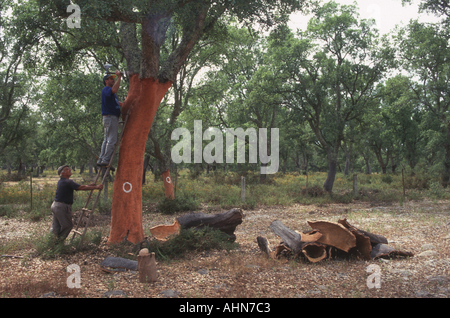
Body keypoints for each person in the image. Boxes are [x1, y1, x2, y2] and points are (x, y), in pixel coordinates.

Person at [50, 165, 103, 241]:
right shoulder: (68, 181)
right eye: (67, 169)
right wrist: (96, 187)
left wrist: (90, 186)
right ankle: (58, 242)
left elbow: (79, 186)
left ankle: (51, 242)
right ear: (63, 173)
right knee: (68, 225)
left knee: (55, 227)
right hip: (62, 207)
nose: (69, 170)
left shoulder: (62, 181)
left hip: (56, 205)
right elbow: (81, 188)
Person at [98, 69, 123, 169]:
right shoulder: (106, 90)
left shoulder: (112, 95)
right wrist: (119, 77)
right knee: (112, 140)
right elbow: (114, 90)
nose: (113, 80)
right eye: (111, 79)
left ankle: (101, 159)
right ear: (106, 81)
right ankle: (105, 160)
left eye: (113, 79)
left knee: (106, 140)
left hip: (110, 118)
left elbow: (119, 104)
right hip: (110, 117)